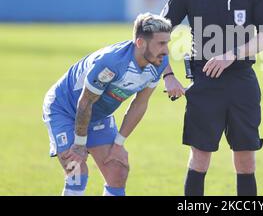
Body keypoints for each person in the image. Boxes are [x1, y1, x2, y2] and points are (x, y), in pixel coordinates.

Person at [161, 0, 263, 196]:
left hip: (242, 82)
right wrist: (167, 75)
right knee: (200, 158)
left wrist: (231, 55)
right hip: (204, 85)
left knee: (246, 159)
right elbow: (156, 32)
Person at [43, 13, 172, 196]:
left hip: (97, 115)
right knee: (76, 170)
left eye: (167, 43)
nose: (166, 50)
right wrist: (80, 144)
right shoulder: (112, 63)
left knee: (117, 172)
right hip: (63, 108)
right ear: (140, 43)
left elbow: (140, 103)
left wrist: (119, 144)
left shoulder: (159, 62)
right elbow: (85, 102)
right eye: (161, 43)